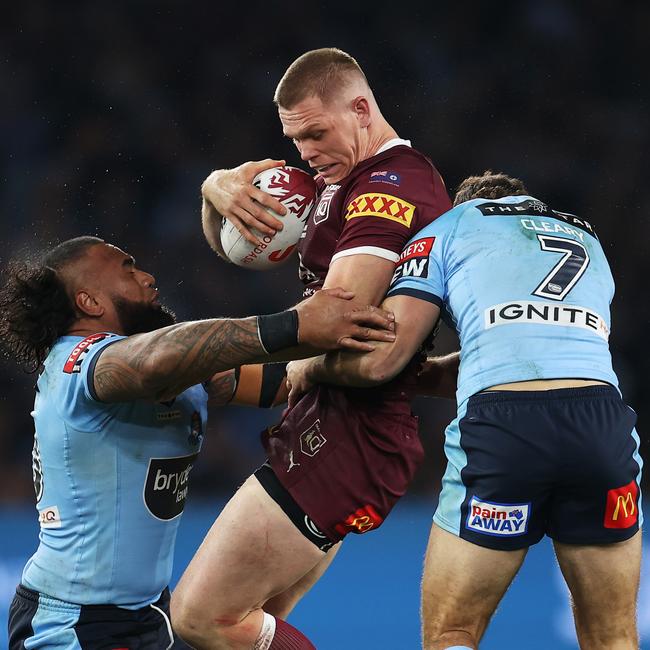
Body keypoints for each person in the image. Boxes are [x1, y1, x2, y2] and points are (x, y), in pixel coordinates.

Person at [286, 171, 643, 650]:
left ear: (464, 203)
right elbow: (533, 345)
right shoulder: (586, 235)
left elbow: (382, 361)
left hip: (506, 428)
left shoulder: (449, 226)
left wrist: (309, 369)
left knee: (453, 634)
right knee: (612, 636)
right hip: (602, 424)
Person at [170, 47, 452, 648]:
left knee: (199, 615)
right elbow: (234, 245)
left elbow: (336, 314)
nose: (306, 152)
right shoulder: (335, 179)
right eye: (296, 139)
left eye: (317, 133)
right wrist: (215, 190)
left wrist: (278, 359)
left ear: (361, 108)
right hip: (331, 423)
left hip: (353, 434)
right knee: (251, 625)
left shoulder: (393, 183)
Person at [0, 235, 396, 650]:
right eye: (128, 269)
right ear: (90, 302)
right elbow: (151, 361)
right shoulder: (76, 364)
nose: (149, 278)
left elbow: (288, 382)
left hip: (149, 615)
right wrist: (295, 322)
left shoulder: (175, 371)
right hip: (73, 624)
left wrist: (400, 364)